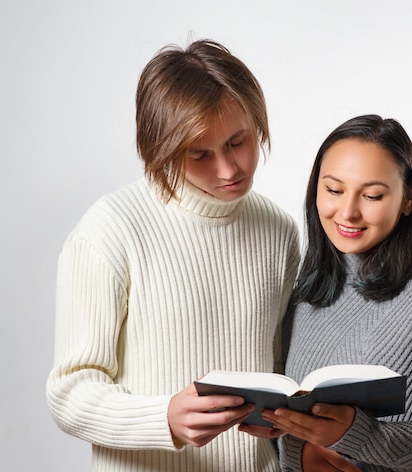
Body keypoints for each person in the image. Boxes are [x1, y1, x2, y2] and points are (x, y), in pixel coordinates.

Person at [45, 39, 300, 472]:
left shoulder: (279, 230)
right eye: (199, 154)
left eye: (239, 141)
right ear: (160, 149)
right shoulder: (110, 229)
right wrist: (163, 418)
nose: (229, 168)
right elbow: (69, 392)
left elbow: (275, 367)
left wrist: (283, 416)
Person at [258, 115, 412, 471]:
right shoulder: (305, 294)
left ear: (408, 198)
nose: (348, 212)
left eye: (372, 195)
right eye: (334, 190)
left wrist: (362, 437)